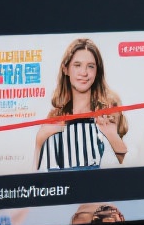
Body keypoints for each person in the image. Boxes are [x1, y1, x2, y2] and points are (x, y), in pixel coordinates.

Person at [35, 38, 128, 170]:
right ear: (65, 69)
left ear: (97, 72)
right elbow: (36, 173)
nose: (84, 73)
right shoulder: (54, 117)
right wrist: (39, 141)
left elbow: (125, 164)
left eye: (90, 66)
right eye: (77, 65)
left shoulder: (108, 114)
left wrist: (112, 136)